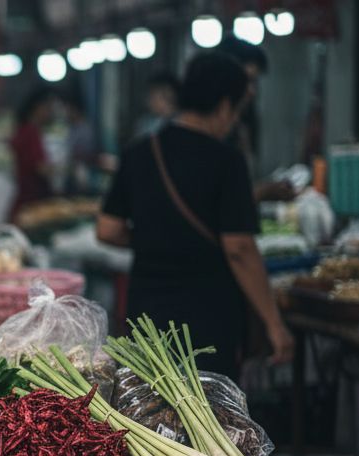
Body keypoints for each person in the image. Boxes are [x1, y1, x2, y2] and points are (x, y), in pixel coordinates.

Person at [97, 53, 293, 381]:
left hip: (146, 311)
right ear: (224, 106)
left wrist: (154, 239)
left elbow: (107, 229)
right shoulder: (227, 161)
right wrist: (275, 324)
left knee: (146, 407)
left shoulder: (140, 151)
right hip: (206, 318)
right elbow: (239, 248)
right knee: (205, 413)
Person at [218, 35, 295, 203]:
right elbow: (215, 201)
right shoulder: (210, 133)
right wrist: (265, 191)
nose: (251, 91)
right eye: (247, 81)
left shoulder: (241, 124)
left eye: (254, 82)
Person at [9, 87, 57, 220]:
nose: (51, 112)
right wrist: (61, 169)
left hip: (25, 197)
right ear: (38, 107)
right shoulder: (31, 132)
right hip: (31, 200)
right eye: (49, 108)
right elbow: (40, 168)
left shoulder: (23, 129)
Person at [134, 72, 179, 139]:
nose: (148, 101)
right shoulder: (145, 123)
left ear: (169, 93)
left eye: (152, 95)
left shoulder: (183, 121)